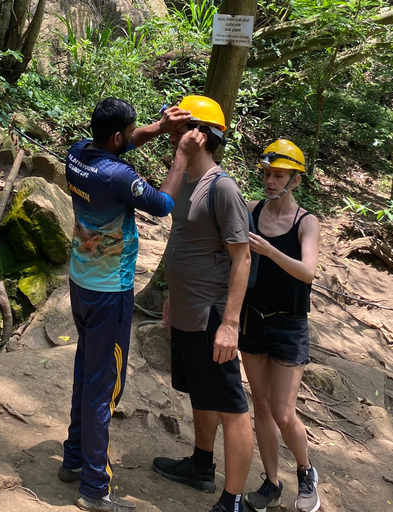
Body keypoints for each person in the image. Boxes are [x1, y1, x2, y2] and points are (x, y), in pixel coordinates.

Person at [59, 97, 201, 512]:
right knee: (104, 386)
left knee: (87, 370)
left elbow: (123, 143)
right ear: (116, 137)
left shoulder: (78, 152)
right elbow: (163, 204)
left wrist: (157, 127)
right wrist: (180, 155)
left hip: (81, 282)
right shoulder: (119, 176)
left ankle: (73, 459)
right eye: (132, 130)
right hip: (109, 292)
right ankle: (94, 488)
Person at [152, 95, 254, 512]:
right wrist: (173, 299)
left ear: (203, 135)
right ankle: (200, 464)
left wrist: (230, 324)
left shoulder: (222, 187)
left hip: (213, 316)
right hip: (187, 310)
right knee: (200, 392)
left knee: (230, 404)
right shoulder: (186, 182)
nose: (173, 132)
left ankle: (232, 499)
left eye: (182, 127)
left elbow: (242, 257)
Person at [238, 140, 320, 512]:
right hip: (252, 320)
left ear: (295, 181)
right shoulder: (252, 210)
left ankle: (306, 472)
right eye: (268, 174)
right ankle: (271, 483)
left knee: (285, 412)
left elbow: (307, 272)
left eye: (279, 176)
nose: (271, 181)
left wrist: (269, 250)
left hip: (289, 325)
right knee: (263, 407)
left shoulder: (307, 221)